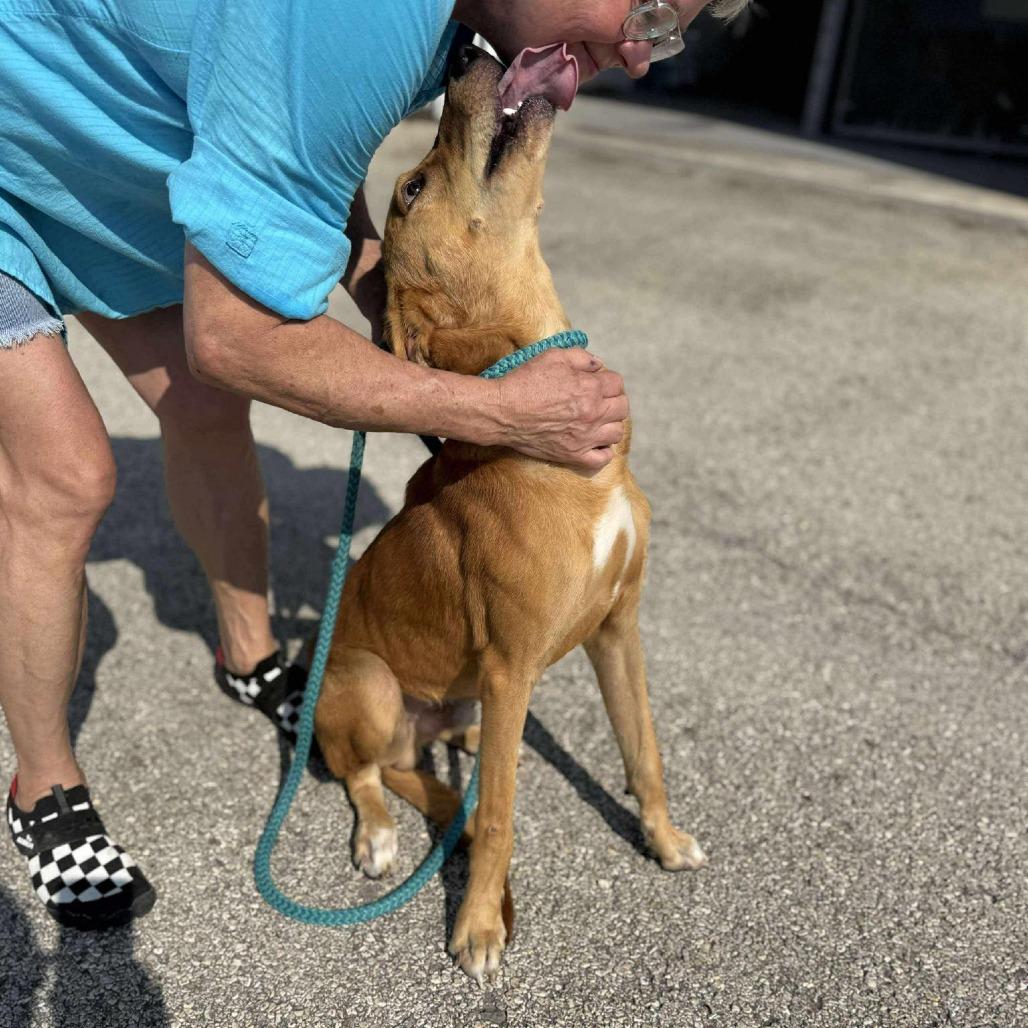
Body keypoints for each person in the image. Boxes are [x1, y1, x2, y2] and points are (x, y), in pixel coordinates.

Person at [0, 0, 742, 929]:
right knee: (66, 475)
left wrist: (425, 334)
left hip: (92, 177)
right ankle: (44, 788)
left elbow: (300, 162)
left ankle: (250, 656)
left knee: (198, 404)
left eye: (670, 30)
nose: (640, 53)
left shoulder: (443, 35)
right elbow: (237, 338)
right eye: (648, 7)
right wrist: (498, 411)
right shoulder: (353, 22)